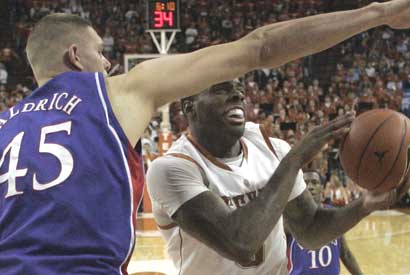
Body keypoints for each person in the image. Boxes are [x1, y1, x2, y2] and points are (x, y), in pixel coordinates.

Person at [1, 1, 410, 273]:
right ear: (76, 56)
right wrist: (376, 13)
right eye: (100, 51)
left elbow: (309, 228)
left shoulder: (5, 126)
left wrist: (365, 203)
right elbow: (260, 48)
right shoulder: (113, 93)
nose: (109, 62)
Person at [147, 81, 409, 275]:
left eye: (238, 88)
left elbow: (310, 231)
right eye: (221, 89)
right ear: (189, 108)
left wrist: (364, 205)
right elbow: (239, 243)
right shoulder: (172, 168)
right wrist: (294, 160)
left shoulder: (272, 149)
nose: (238, 94)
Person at [286, 171, 363, 275]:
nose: (310, 186)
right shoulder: (292, 217)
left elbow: (346, 254)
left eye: (314, 182)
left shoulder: (333, 214)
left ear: (322, 188)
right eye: (305, 183)